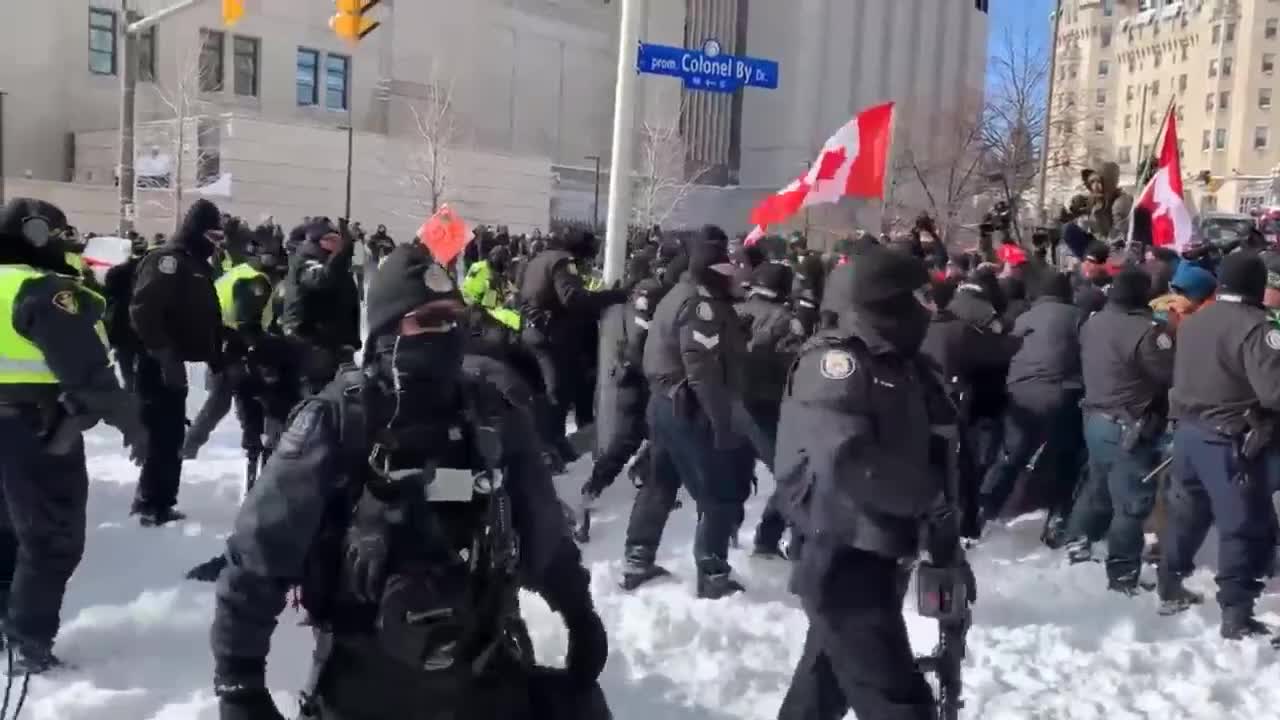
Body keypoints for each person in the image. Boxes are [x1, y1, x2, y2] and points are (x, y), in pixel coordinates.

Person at [210, 244, 609, 720]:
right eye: (427, 321)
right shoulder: (338, 420)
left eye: (452, 319)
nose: (445, 334)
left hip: (481, 666)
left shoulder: (490, 411)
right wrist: (239, 681)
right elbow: (257, 555)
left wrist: (579, 612)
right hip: (367, 681)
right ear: (384, 332)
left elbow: (543, 526)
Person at [773, 245, 966, 720]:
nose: (931, 308)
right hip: (842, 557)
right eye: (921, 296)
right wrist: (926, 496)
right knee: (898, 703)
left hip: (876, 551)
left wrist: (946, 533)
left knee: (820, 693)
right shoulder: (838, 363)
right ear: (888, 301)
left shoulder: (901, 364)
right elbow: (847, 459)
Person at [0, 198, 148, 672]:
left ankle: (9, 620)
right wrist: (131, 420)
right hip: (34, 430)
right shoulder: (41, 289)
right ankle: (28, 640)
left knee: (6, 531)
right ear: (37, 233)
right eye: (61, 232)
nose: (70, 241)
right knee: (51, 538)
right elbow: (86, 371)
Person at [623, 228, 751, 598]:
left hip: (665, 403)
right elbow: (702, 369)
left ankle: (637, 559)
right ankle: (713, 574)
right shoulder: (701, 304)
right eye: (726, 268)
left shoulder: (679, 292)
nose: (732, 275)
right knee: (718, 492)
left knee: (660, 483)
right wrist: (720, 422)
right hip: (689, 408)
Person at [1162, 252, 1280, 638]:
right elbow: (1273, 391)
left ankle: (1170, 581)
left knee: (1187, 515)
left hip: (1188, 432)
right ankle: (1236, 611)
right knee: (1239, 524)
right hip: (1229, 438)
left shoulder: (1195, 320)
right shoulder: (1256, 327)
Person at [1063, 269, 1173, 593]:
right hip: (1129, 424)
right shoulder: (1148, 332)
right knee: (1131, 503)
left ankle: (1078, 539)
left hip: (1094, 417)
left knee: (1097, 483)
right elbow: (1169, 373)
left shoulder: (1092, 323)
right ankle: (1122, 574)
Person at [577, 247, 683, 541]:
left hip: (629, 379)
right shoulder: (652, 296)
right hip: (637, 381)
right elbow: (640, 344)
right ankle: (594, 491)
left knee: (641, 439)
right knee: (639, 439)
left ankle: (622, 481)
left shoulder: (627, 299)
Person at [129, 198, 224, 526]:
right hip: (157, 362)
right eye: (212, 236)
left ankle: (160, 498)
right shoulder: (168, 261)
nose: (215, 245)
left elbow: (202, 315)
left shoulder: (194, 264)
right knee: (162, 434)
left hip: (174, 361)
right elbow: (144, 311)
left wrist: (215, 353)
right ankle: (150, 502)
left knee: (169, 434)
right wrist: (165, 356)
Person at [978, 272, 1085, 543]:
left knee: (1011, 456)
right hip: (1062, 394)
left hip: (1019, 393)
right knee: (1065, 458)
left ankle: (984, 509)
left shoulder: (1022, 318)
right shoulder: (1078, 316)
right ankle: (1058, 518)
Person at [517, 230, 626, 464]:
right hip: (553, 337)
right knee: (558, 393)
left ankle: (554, 446)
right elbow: (572, 298)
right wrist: (614, 296)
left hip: (533, 333)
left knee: (554, 391)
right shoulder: (563, 261)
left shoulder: (539, 258)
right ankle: (550, 449)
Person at [736, 261, 806, 557]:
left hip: (725, 404)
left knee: (733, 474)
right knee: (794, 474)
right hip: (764, 407)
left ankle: (722, 536)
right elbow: (794, 368)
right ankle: (769, 538)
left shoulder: (733, 310)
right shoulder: (785, 321)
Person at [279, 218, 361, 397]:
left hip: (334, 342)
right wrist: (343, 252)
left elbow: (347, 303)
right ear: (316, 241)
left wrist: (351, 341)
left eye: (338, 239)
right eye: (331, 239)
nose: (337, 243)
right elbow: (321, 280)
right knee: (317, 397)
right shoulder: (307, 259)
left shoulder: (334, 264)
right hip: (310, 341)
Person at [103, 234, 149, 393]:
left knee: (126, 367)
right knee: (146, 366)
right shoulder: (150, 272)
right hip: (145, 325)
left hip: (122, 325)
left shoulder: (115, 272)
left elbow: (108, 296)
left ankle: (130, 394)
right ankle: (142, 394)